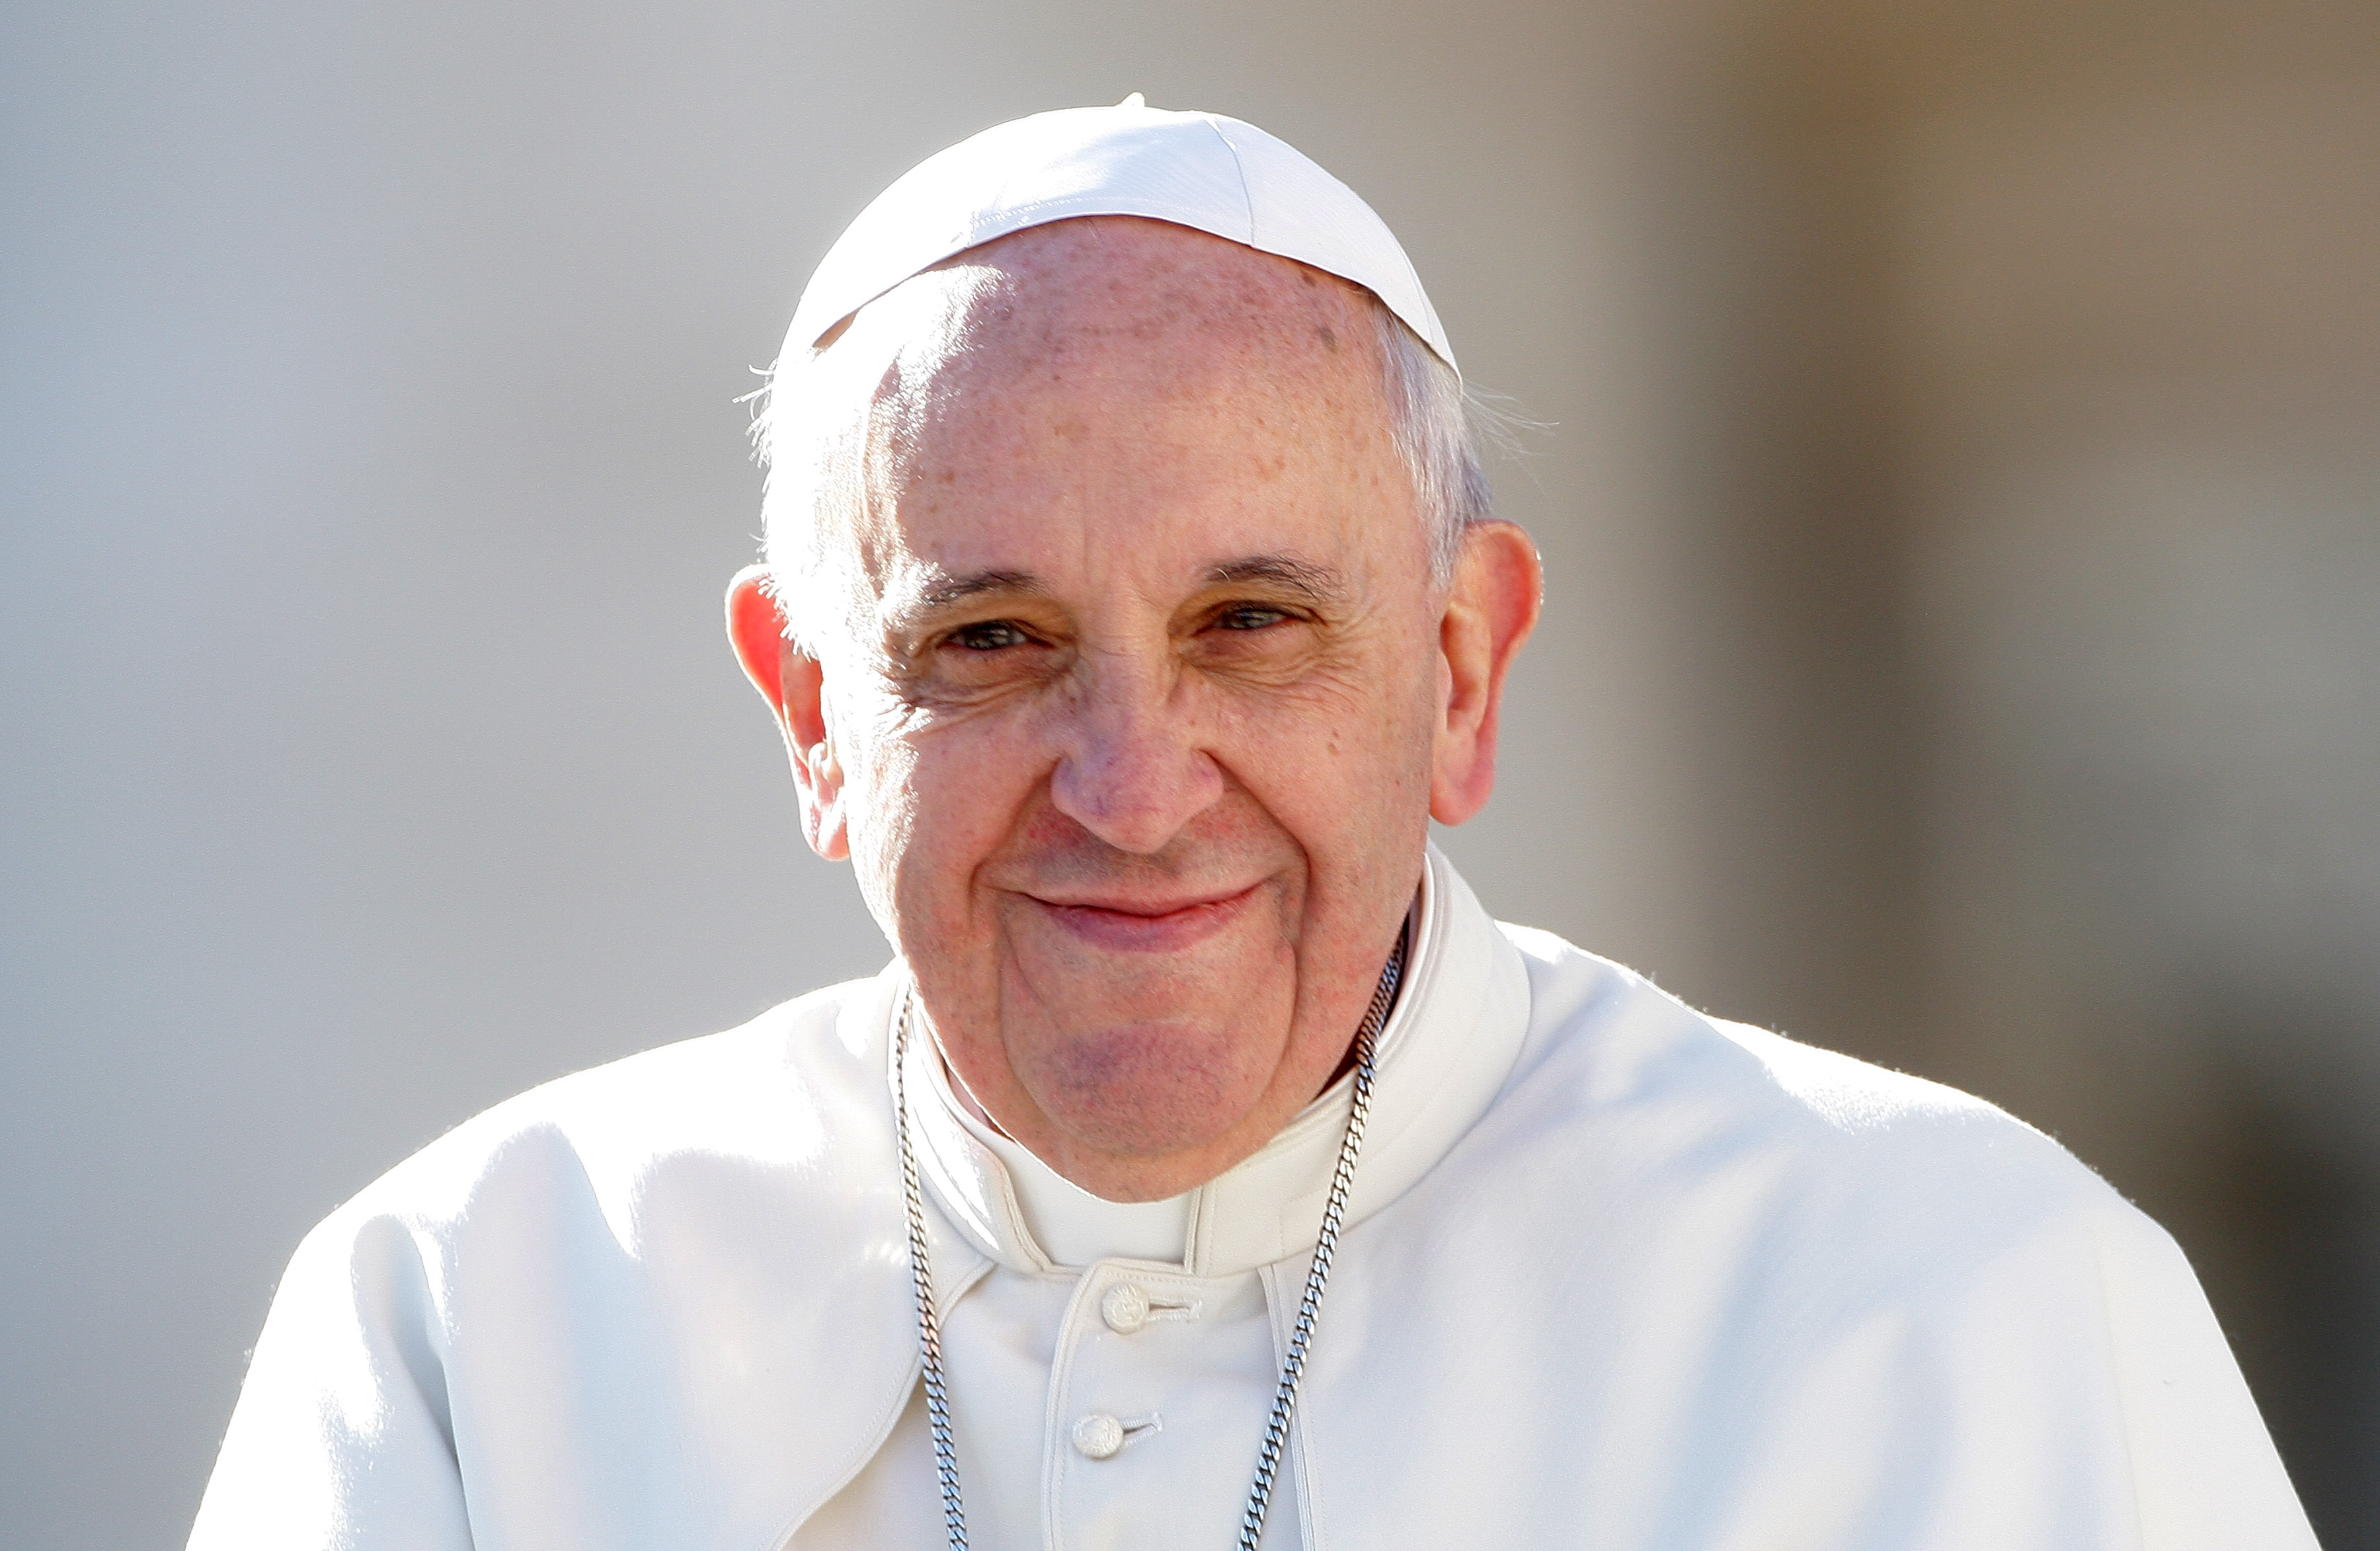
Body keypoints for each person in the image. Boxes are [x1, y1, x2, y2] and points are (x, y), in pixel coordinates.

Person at [188, 100, 2316, 1551]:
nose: (1131, 792)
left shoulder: (1960, 1305)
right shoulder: (481, 1319)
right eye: (996, 640)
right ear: (813, 710)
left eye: (1257, 624)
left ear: (1464, 674)